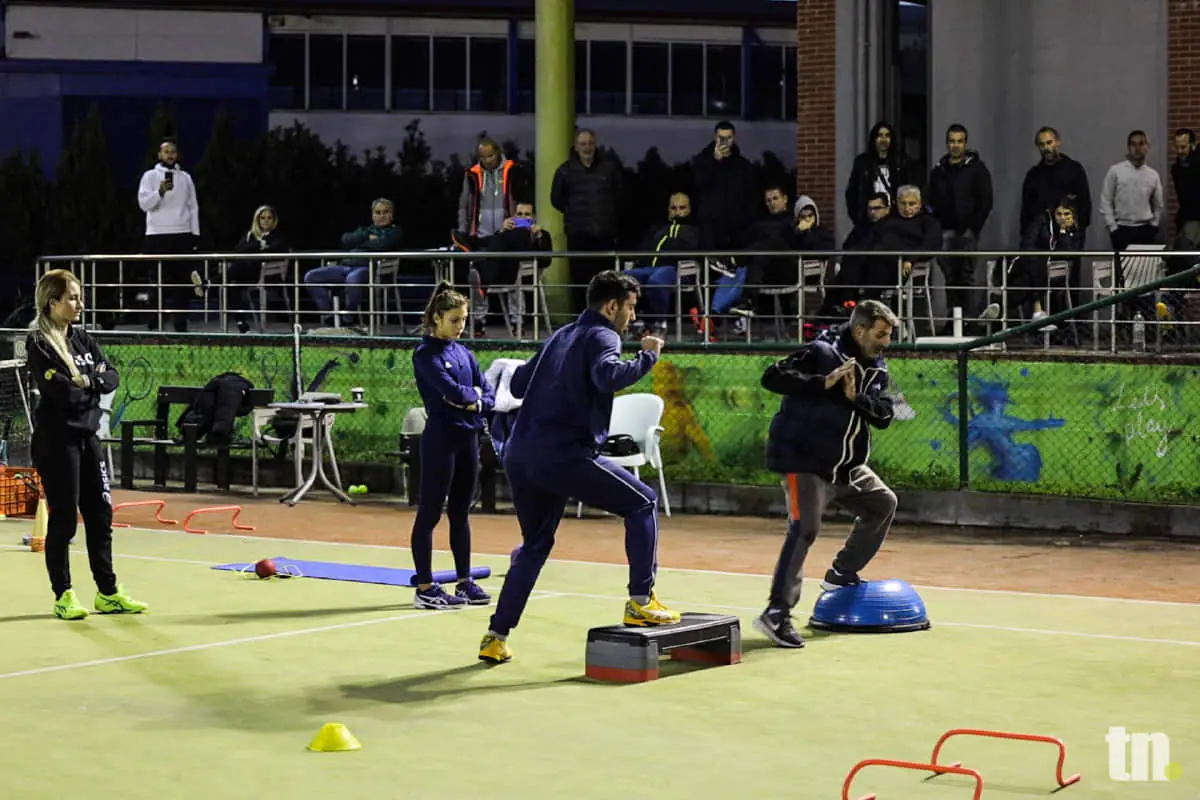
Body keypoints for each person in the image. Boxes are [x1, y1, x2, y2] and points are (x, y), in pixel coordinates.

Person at [478, 271, 680, 665]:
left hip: (520, 454)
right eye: (630, 308)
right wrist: (648, 356)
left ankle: (495, 636)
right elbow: (607, 376)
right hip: (563, 454)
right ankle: (641, 601)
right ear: (611, 306)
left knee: (535, 545)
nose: (631, 316)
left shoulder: (561, 335)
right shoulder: (604, 335)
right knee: (643, 503)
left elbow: (517, 386)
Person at [754, 299, 900, 648]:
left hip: (845, 466)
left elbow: (884, 415)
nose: (886, 342)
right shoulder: (822, 352)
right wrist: (823, 382)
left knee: (883, 503)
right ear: (860, 330)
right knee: (805, 528)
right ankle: (777, 613)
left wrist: (854, 398)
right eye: (881, 334)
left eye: (888, 335)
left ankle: (841, 574)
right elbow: (772, 377)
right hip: (803, 461)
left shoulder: (878, 370)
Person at [26, 269, 148, 620]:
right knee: (64, 519)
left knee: (100, 515)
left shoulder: (82, 338)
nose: (80, 304)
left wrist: (87, 381)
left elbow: (112, 376)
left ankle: (107, 593)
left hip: (87, 437)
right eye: (73, 298)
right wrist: (89, 385)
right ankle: (63, 595)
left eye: (80, 297)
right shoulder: (40, 343)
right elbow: (63, 393)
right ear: (53, 302)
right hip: (57, 442)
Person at [410, 282, 496, 609]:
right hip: (440, 440)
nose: (461, 326)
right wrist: (470, 398)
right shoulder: (425, 354)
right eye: (454, 320)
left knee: (461, 512)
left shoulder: (464, 353)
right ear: (437, 317)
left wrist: (475, 400)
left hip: (468, 438)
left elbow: (486, 393)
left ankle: (464, 582)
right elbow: (452, 392)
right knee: (430, 513)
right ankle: (425, 588)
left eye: (464, 320)